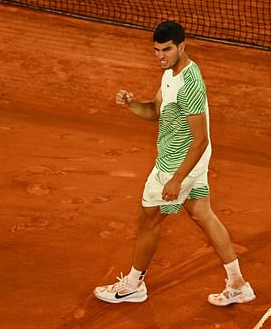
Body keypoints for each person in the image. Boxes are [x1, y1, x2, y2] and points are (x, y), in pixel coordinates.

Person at [94, 20, 255, 306]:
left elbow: (201, 139)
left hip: (177, 164)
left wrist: (177, 178)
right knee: (202, 214)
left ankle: (133, 285)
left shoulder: (190, 85)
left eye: (166, 50)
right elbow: (156, 111)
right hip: (189, 162)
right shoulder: (170, 73)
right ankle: (237, 283)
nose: (160, 56)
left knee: (148, 219)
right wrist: (131, 104)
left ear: (182, 46)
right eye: (156, 50)